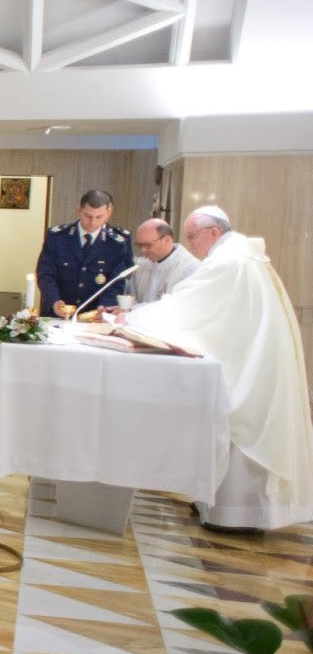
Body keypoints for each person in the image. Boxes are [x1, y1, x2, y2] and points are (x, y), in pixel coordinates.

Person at [123, 207, 313, 530]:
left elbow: (189, 306)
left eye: (192, 236)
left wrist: (132, 318)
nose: (189, 243)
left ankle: (237, 515)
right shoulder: (239, 254)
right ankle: (223, 507)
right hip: (251, 356)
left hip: (248, 363)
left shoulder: (229, 261)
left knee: (242, 427)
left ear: (213, 232)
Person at [36, 190, 134, 318]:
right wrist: (54, 300)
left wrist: (105, 307)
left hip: (95, 316)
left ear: (109, 212)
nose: (93, 222)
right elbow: (46, 274)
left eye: (99, 217)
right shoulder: (57, 237)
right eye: (88, 216)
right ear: (79, 211)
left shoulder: (117, 243)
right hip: (58, 314)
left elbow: (117, 282)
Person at [130, 218, 199, 305]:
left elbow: (181, 306)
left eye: (147, 245)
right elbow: (130, 298)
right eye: (140, 245)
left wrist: (135, 309)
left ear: (167, 240)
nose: (143, 250)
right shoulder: (141, 267)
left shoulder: (190, 268)